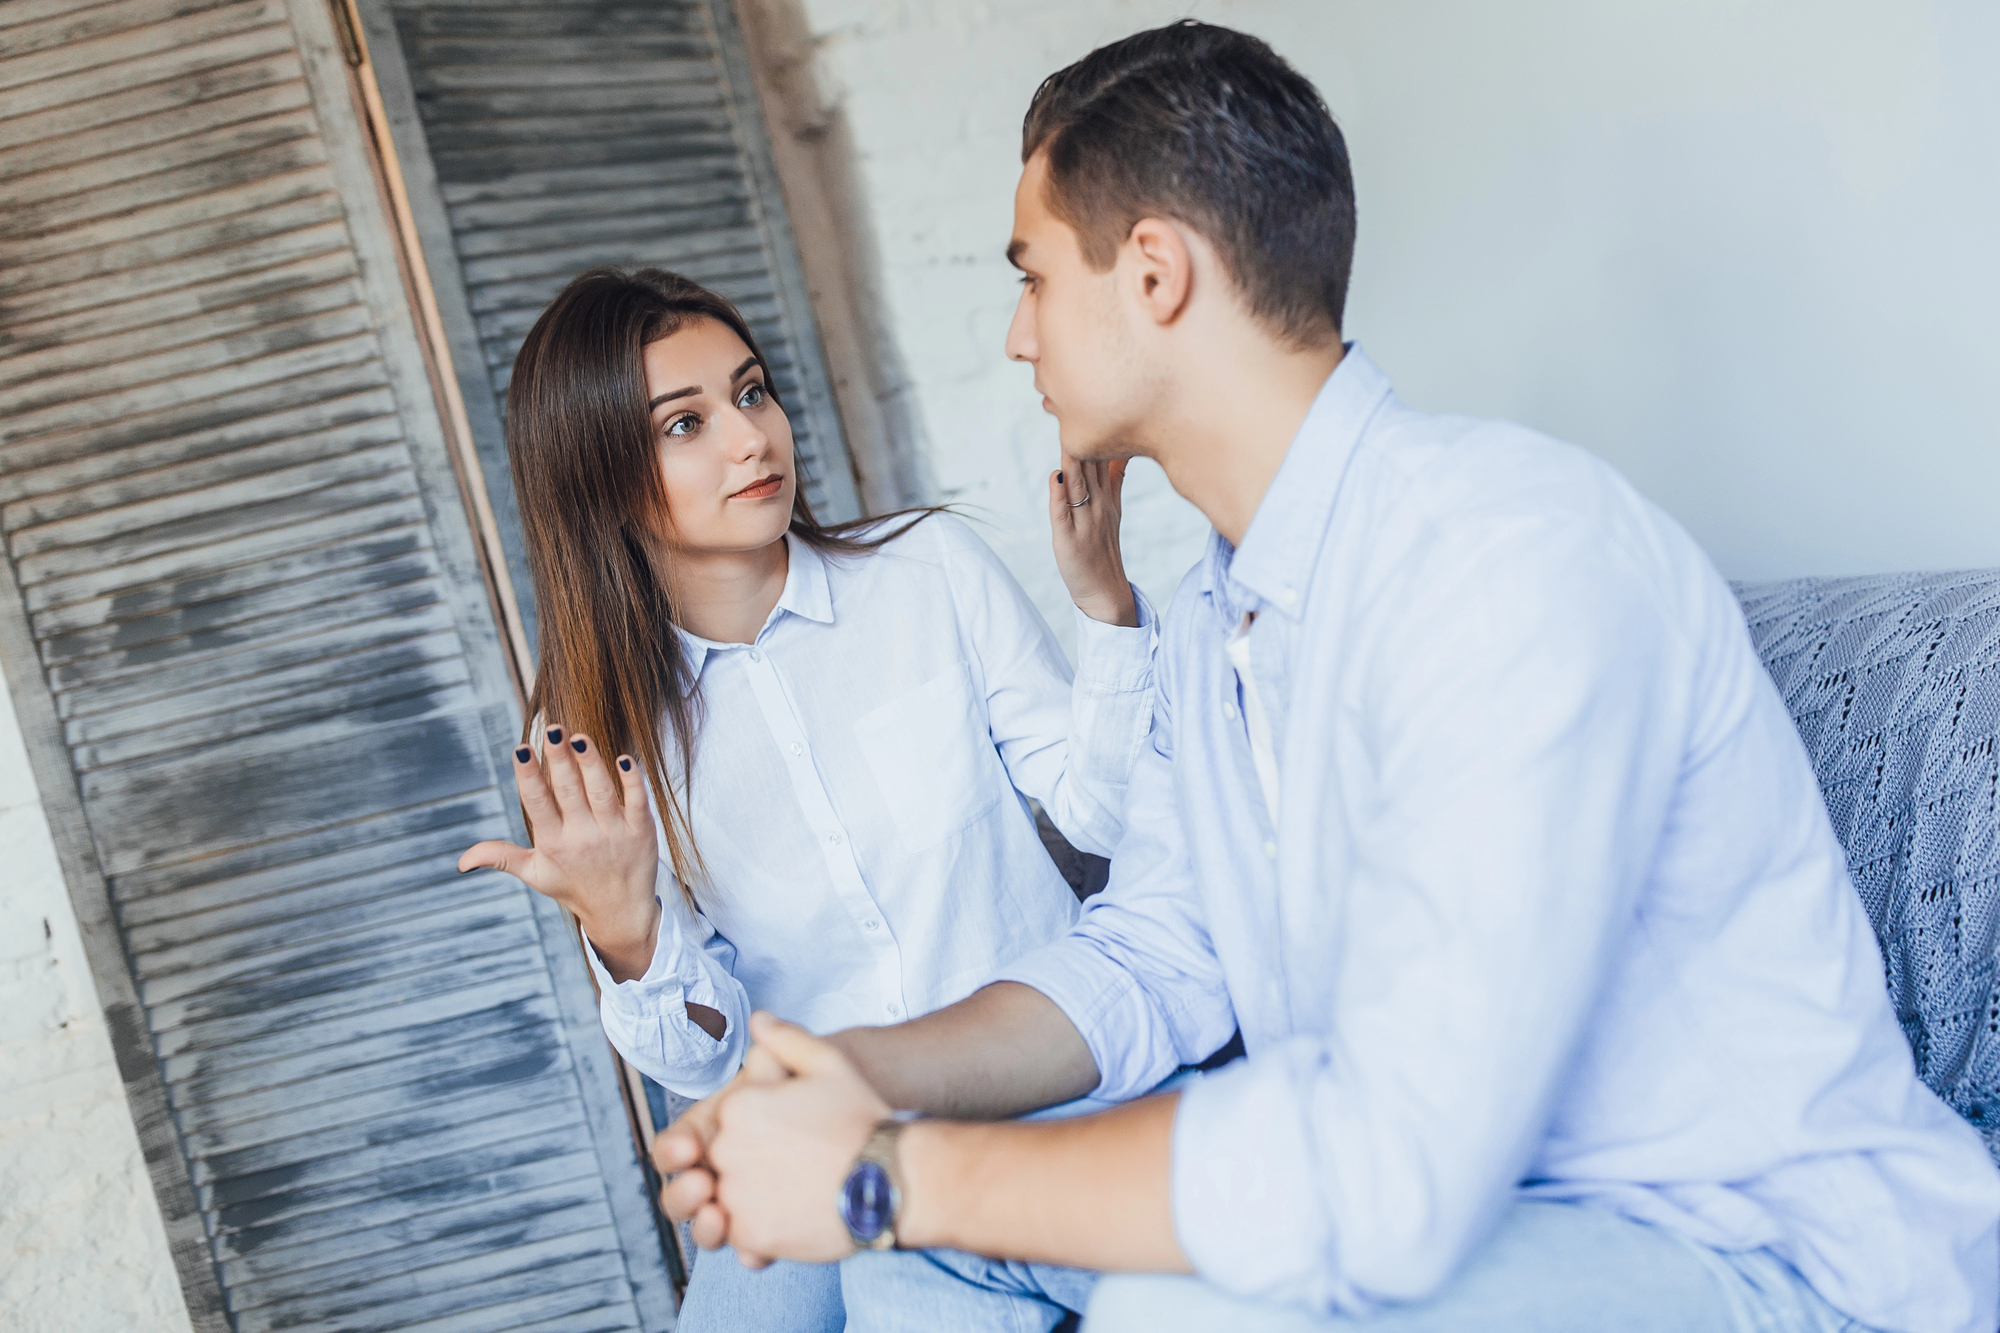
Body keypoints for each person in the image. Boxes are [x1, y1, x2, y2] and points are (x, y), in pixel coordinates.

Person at [651, 21, 2000, 1333]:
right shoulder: (1210, 625)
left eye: (1034, 278)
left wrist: (889, 1173)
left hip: (1751, 1249)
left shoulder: (1500, 556)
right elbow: (1149, 956)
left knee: (1176, 1307)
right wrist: (853, 1076)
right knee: (922, 1267)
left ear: (1155, 275)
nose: (1017, 336)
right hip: (1489, 1223)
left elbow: (1395, 1164)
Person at [455, 267, 1158, 1331]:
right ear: (597, 477)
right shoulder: (596, 729)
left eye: (751, 393)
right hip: (815, 1131)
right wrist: (627, 935)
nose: (749, 439)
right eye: (683, 423)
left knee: (901, 1289)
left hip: (1039, 1075)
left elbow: (1101, 820)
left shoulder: (930, 570)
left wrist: (1106, 611)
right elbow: (706, 1053)